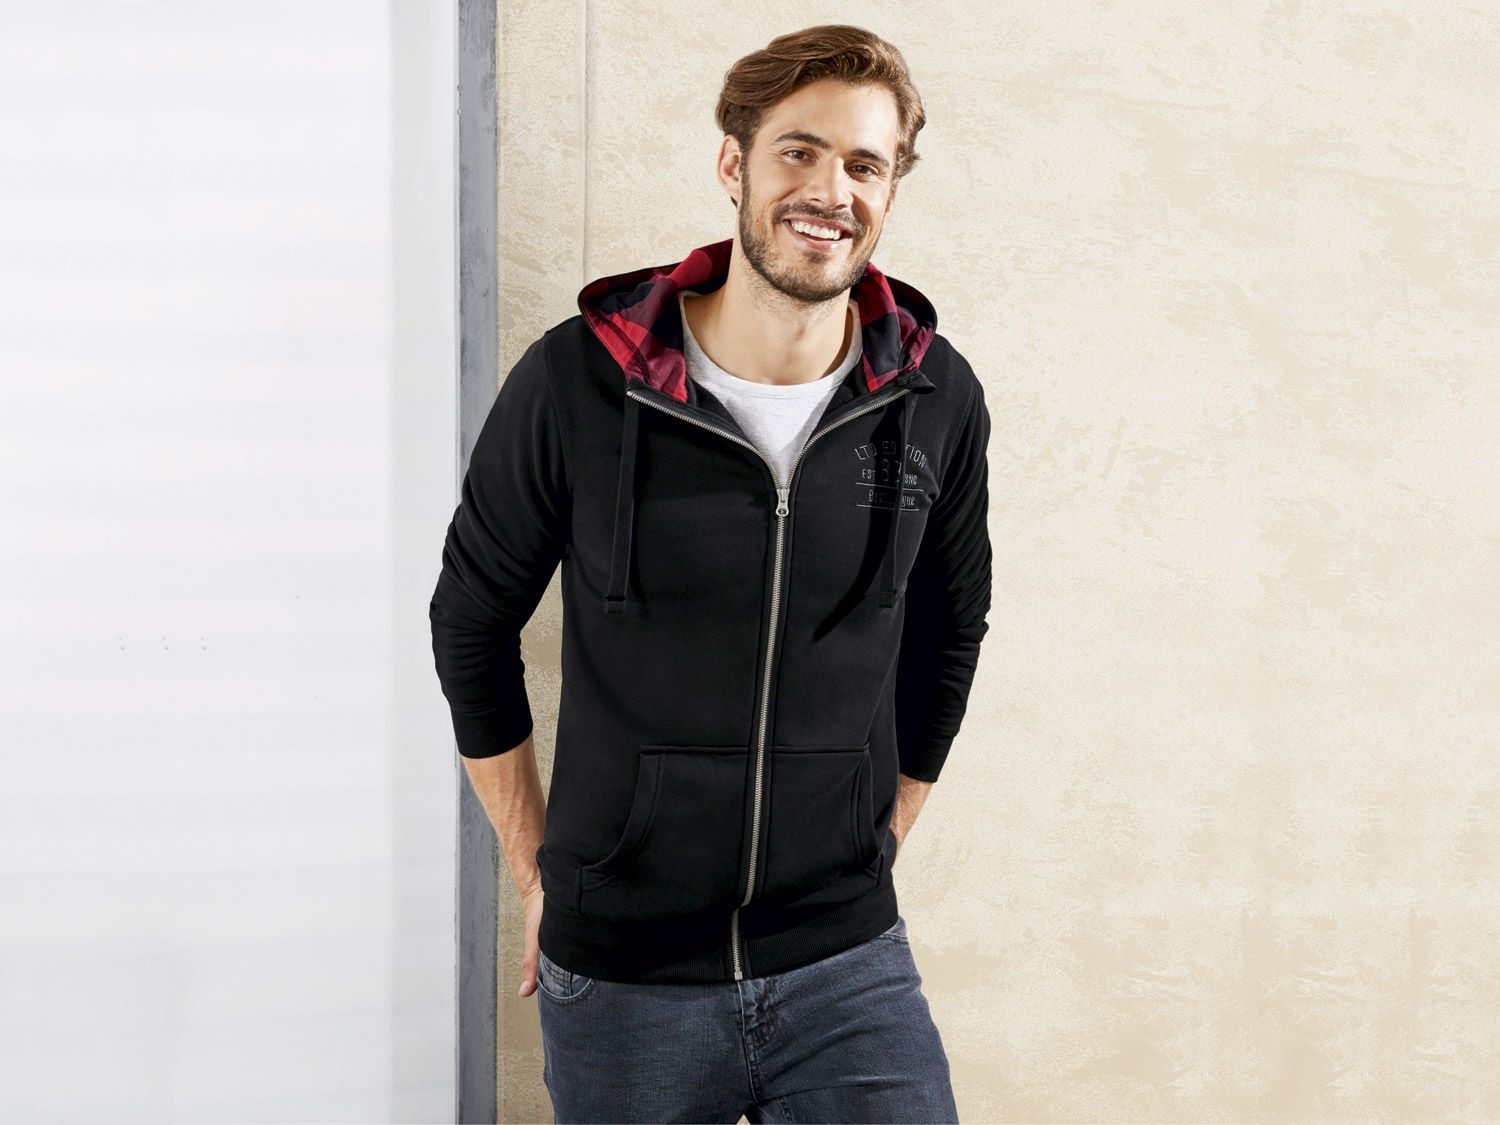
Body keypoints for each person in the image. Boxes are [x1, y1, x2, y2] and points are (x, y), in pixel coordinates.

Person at [429, 23, 991, 1124]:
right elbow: (471, 621)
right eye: (799, 151)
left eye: (865, 164)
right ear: (734, 163)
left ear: (891, 190)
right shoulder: (583, 381)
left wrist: (876, 845)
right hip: (624, 975)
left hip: (846, 964)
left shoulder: (934, 397)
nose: (830, 191)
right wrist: (537, 870)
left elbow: (948, 633)